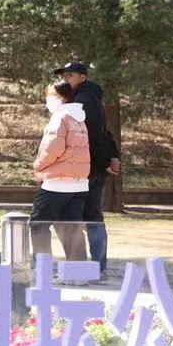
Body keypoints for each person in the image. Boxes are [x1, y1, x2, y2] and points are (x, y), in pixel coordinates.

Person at [56, 60, 122, 266]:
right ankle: (98, 265)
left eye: (70, 76)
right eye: (63, 76)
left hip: (85, 169)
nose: (65, 79)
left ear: (82, 78)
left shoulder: (83, 100)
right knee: (92, 215)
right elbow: (104, 131)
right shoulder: (88, 98)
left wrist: (105, 162)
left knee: (71, 215)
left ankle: (81, 266)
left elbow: (92, 134)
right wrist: (112, 157)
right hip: (91, 167)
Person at [31, 80, 91, 260]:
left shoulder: (60, 118)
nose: (47, 101)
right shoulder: (79, 120)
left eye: (50, 96)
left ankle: (44, 269)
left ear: (60, 97)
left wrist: (37, 166)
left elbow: (52, 149)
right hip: (78, 184)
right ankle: (78, 273)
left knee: (38, 223)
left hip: (57, 183)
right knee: (72, 228)